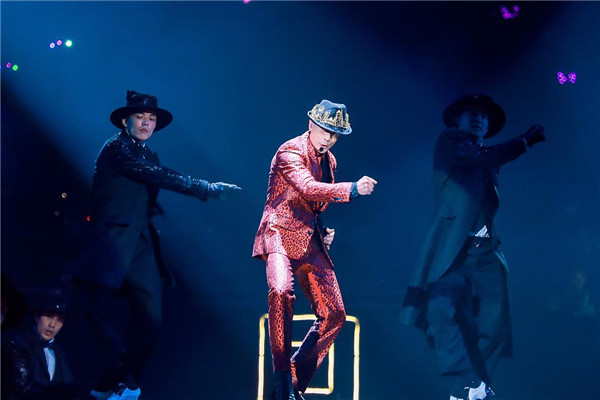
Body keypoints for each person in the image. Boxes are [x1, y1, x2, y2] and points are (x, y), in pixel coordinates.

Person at [74, 90, 241, 399]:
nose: (146, 123)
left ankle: (120, 381)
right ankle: (115, 380)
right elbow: (158, 176)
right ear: (125, 121)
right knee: (94, 311)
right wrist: (206, 188)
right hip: (109, 241)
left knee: (152, 318)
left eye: (151, 119)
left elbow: (150, 183)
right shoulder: (116, 149)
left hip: (139, 242)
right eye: (139, 117)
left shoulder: (148, 154)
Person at [400, 94, 545, 400]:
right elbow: (480, 158)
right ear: (458, 120)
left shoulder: (487, 157)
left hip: (486, 251)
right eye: (472, 113)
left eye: (484, 116)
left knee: (496, 322)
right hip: (454, 249)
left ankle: (470, 390)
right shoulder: (451, 142)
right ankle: (468, 381)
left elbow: (486, 165)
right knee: (440, 307)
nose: (479, 118)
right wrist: (524, 141)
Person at [253, 99, 377, 400]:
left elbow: (314, 204)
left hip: (309, 240)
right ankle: (282, 381)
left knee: (335, 314)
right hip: (279, 234)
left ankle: (292, 384)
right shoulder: (290, 151)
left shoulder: (329, 161)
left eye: (335, 135)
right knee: (281, 292)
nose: (329, 139)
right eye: (325, 131)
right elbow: (307, 188)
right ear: (311, 124)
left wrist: (321, 229)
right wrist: (352, 189)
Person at [4, 296, 93, 400]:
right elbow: (23, 385)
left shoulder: (60, 350)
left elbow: (68, 382)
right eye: (49, 316)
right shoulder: (19, 343)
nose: (52, 325)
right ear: (36, 316)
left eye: (59, 320)